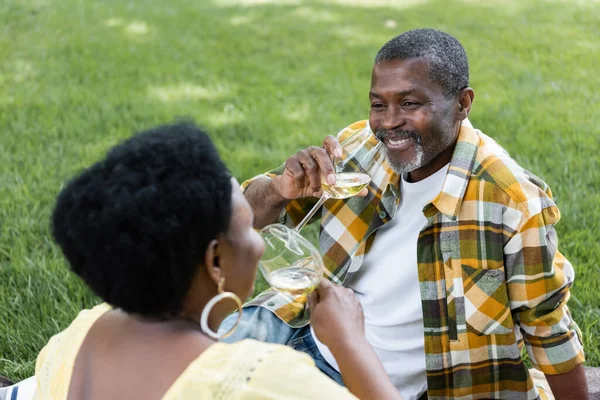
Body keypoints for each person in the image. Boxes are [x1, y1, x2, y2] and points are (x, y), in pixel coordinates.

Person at [221, 29, 588, 400]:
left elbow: (547, 329)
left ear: (463, 103)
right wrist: (280, 190)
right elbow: (244, 223)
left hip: (368, 383)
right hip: (293, 323)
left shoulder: (509, 201)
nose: (388, 122)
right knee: (173, 355)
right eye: (378, 105)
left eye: (410, 104)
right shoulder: (358, 148)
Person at [26, 122, 403, 399]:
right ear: (215, 262)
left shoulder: (75, 336)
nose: (260, 243)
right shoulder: (259, 381)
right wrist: (348, 341)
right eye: (248, 230)